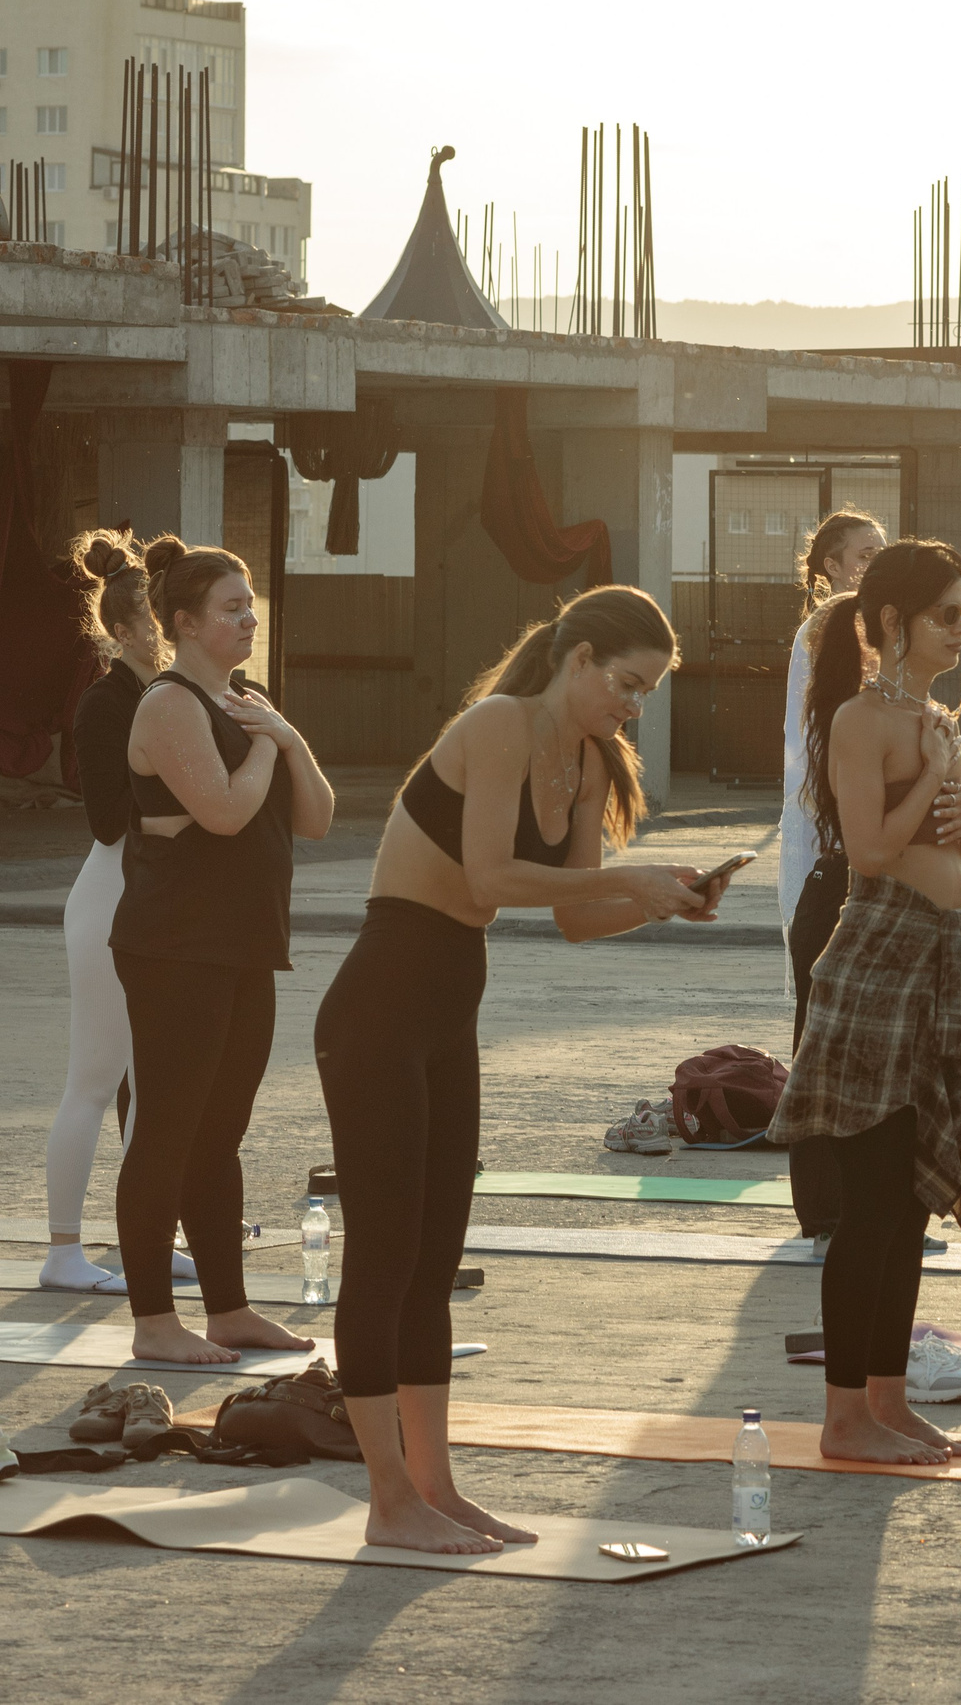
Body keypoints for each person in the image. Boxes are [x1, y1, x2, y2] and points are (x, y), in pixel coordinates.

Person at [317, 585, 721, 1554]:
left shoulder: (587, 762)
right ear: (578, 659)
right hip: (379, 1006)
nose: (634, 707)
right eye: (626, 684)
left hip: (447, 1009)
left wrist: (660, 900)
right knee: (383, 1257)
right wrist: (628, 875)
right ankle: (387, 1501)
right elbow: (490, 876)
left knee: (435, 1261)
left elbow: (574, 916)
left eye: (649, 692)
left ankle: (435, 1487)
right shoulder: (500, 724)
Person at [766, 540, 961, 1465]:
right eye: (947, 613)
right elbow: (867, 849)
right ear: (894, 621)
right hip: (878, 955)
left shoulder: (937, 720)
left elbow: (953, 860)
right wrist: (936, 779)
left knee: (909, 1206)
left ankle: (889, 1401)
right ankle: (844, 1415)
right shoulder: (861, 719)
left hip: (941, 952)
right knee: (870, 1207)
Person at [115, 539, 335, 1365]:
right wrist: (270, 744)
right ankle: (153, 1321)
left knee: (218, 1137)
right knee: (166, 1132)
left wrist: (289, 738)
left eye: (251, 605)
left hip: (244, 944)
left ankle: (229, 1309)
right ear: (184, 623)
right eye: (232, 608)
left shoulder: (250, 703)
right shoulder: (169, 704)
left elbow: (315, 817)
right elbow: (225, 812)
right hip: (175, 947)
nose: (249, 619)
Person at [40, 532, 171, 1292]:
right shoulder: (105, 702)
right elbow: (107, 820)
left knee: (154, 1086)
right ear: (120, 631)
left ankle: (146, 1240)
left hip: (158, 903)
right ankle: (63, 1250)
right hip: (109, 902)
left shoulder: (174, 693)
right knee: (94, 1078)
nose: (169, 630)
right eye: (155, 620)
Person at [779, 508, 888, 1241]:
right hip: (829, 855)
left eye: (882, 551)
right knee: (821, 1037)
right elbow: (819, 750)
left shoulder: (869, 632)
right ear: (831, 565)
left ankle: (860, 1201)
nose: (874, 563)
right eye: (863, 553)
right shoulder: (829, 628)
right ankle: (823, 1208)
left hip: (857, 854)